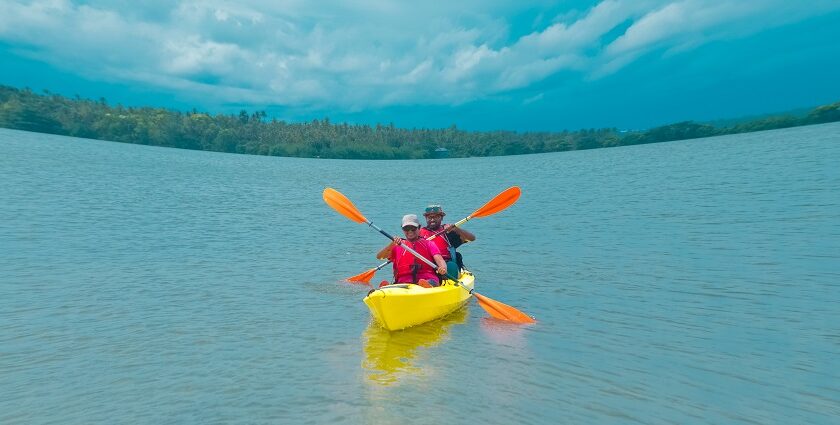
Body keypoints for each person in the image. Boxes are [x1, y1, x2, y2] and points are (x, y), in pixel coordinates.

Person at [376, 214, 448, 286]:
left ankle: (426, 287)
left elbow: (440, 260)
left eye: (413, 228)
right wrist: (391, 244)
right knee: (397, 285)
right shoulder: (397, 245)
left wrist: (443, 268)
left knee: (430, 282)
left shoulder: (429, 244)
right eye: (406, 229)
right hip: (404, 282)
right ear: (402, 229)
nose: (410, 231)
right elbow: (380, 257)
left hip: (427, 279)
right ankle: (386, 289)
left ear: (419, 227)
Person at [419, 204, 475, 278]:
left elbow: (471, 238)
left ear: (441, 218)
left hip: (446, 265)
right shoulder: (420, 233)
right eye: (429, 217)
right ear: (426, 218)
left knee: (451, 266)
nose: (432, 220)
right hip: (428, 264)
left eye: (436, 217)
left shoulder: (448, 232)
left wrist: (456, 229)